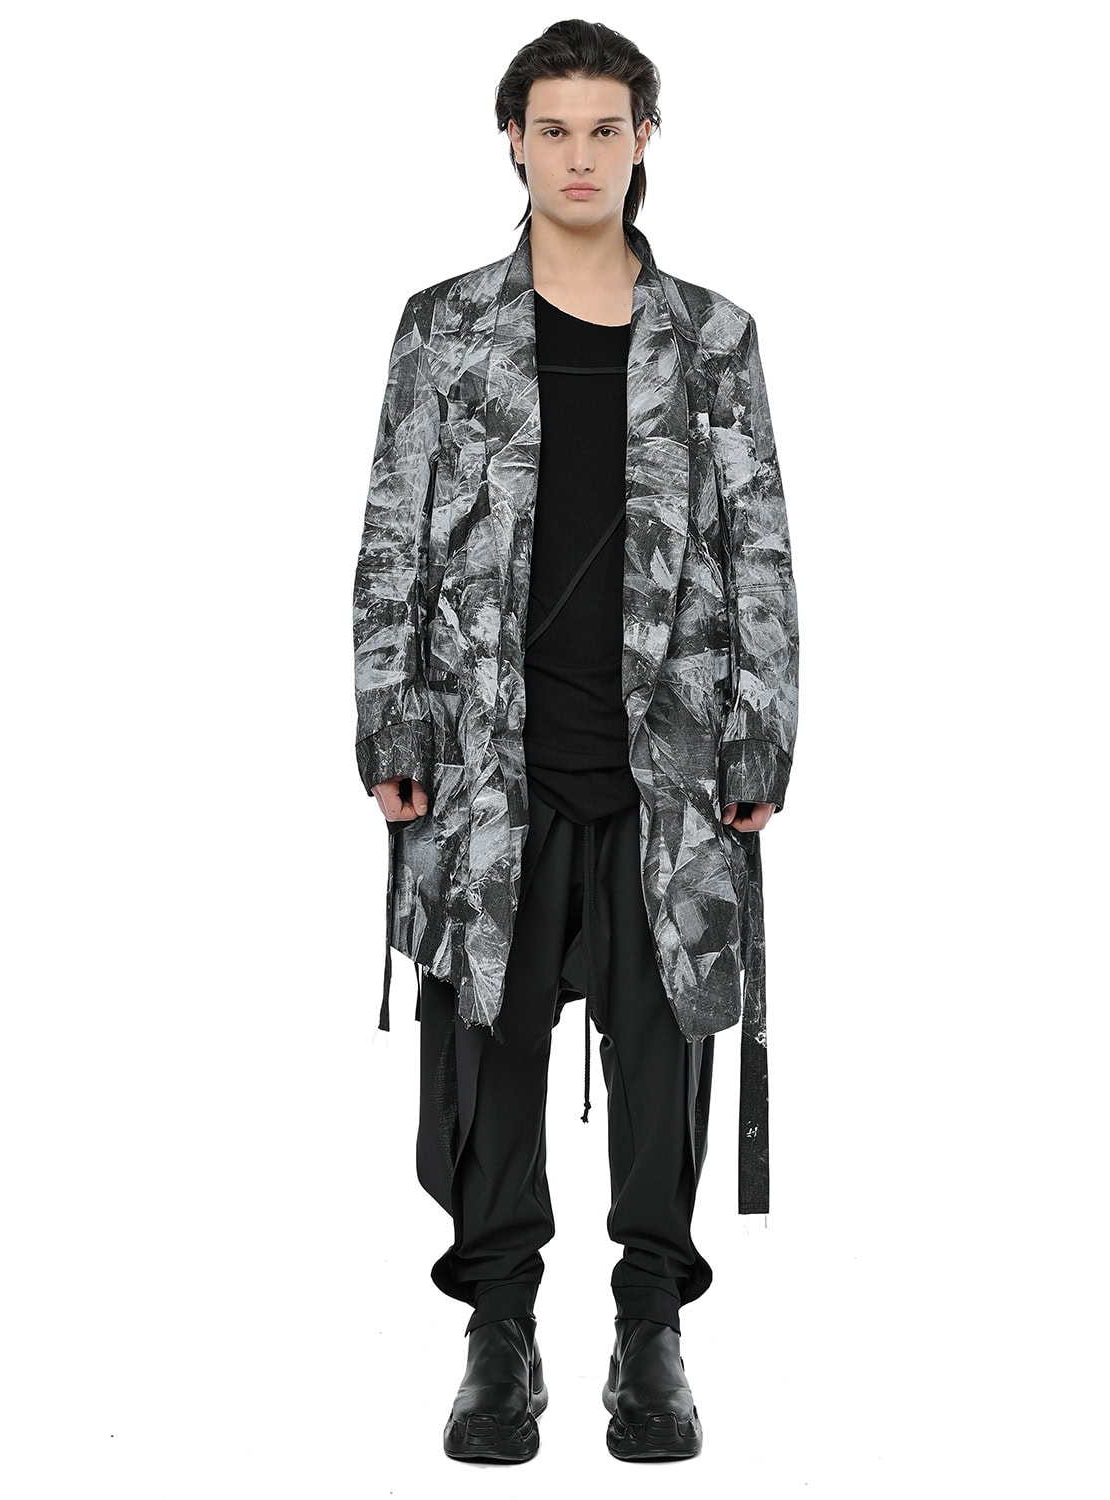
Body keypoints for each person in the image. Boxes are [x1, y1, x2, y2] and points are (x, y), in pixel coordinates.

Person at [352, 19, 798, 1463]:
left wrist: (761, 734)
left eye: (607, 129)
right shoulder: (444, 328)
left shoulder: (714, 339)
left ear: (645, 141)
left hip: (668, 765)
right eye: (555, 129)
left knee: (666, 1045)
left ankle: (651, 1330)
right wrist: (390, 719)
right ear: (514, 142)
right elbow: (392, 541)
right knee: (483, 1049)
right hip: (488, 762)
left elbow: (759, 552)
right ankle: (498, 1334)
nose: (582, 156)